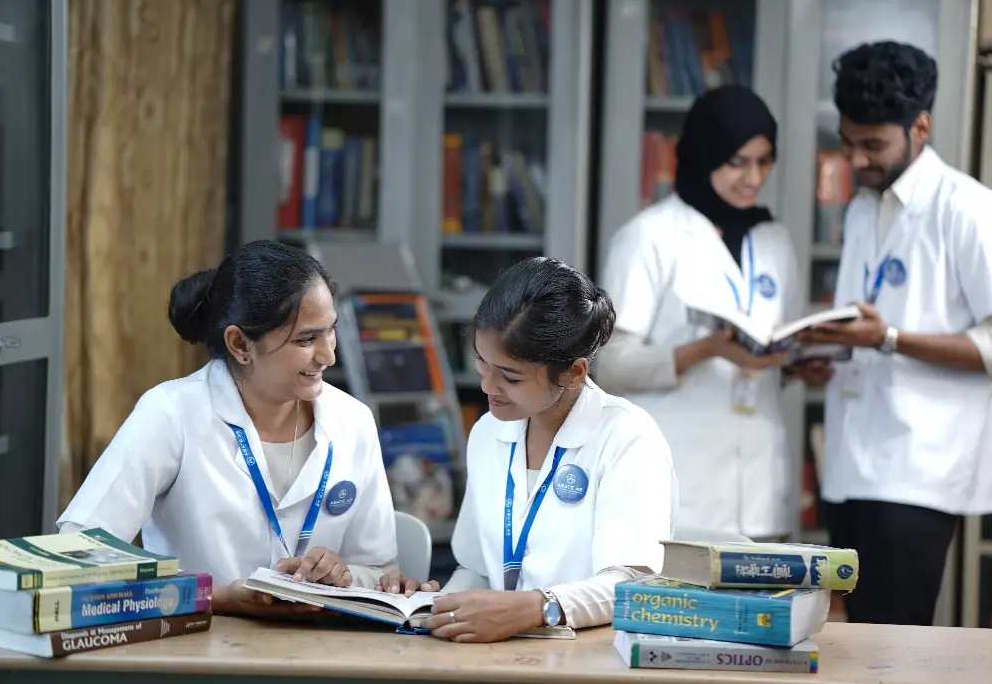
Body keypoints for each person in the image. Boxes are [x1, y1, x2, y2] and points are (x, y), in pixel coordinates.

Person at [57, 240, 437, 617]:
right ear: (240, 344)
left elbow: (380, 572)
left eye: (330, 330)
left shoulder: (352, 420)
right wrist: (220, 597)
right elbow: (76, 556)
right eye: (306, 339)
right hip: (199, 650)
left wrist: (341, 575)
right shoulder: (172, 413)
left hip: (318, 658)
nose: (329, 355)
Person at [800, 41, 992, 626]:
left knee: (891, 646)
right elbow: (869, 322)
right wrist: (822, 351)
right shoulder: (861, 209)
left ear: (920, 126)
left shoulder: (972, 210)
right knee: (842, 639)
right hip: (851, 462)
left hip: (920, 470)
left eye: (873, 145)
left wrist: (888, 338)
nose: (856, 160)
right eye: (848, 143)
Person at [380, 257, 677, 642]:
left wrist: (537, 608)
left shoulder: (627, 438)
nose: (488, 387)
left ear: (573, 372)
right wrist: (438, 606)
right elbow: (480, 570)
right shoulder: (489, 431)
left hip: (591, 658)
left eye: (510, 377)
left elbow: (631, 586)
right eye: (482, 364)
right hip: (498, 654)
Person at [594, 85, 827, 543]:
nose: (752, 177)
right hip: (683, 487)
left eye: (763, 161)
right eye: (737, 162)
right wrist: (704, 350)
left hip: (761, 487)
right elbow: (608, 364)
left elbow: (781, 344)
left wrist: (800, 365)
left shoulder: (774, 241)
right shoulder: (649, 236)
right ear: (704, 154)